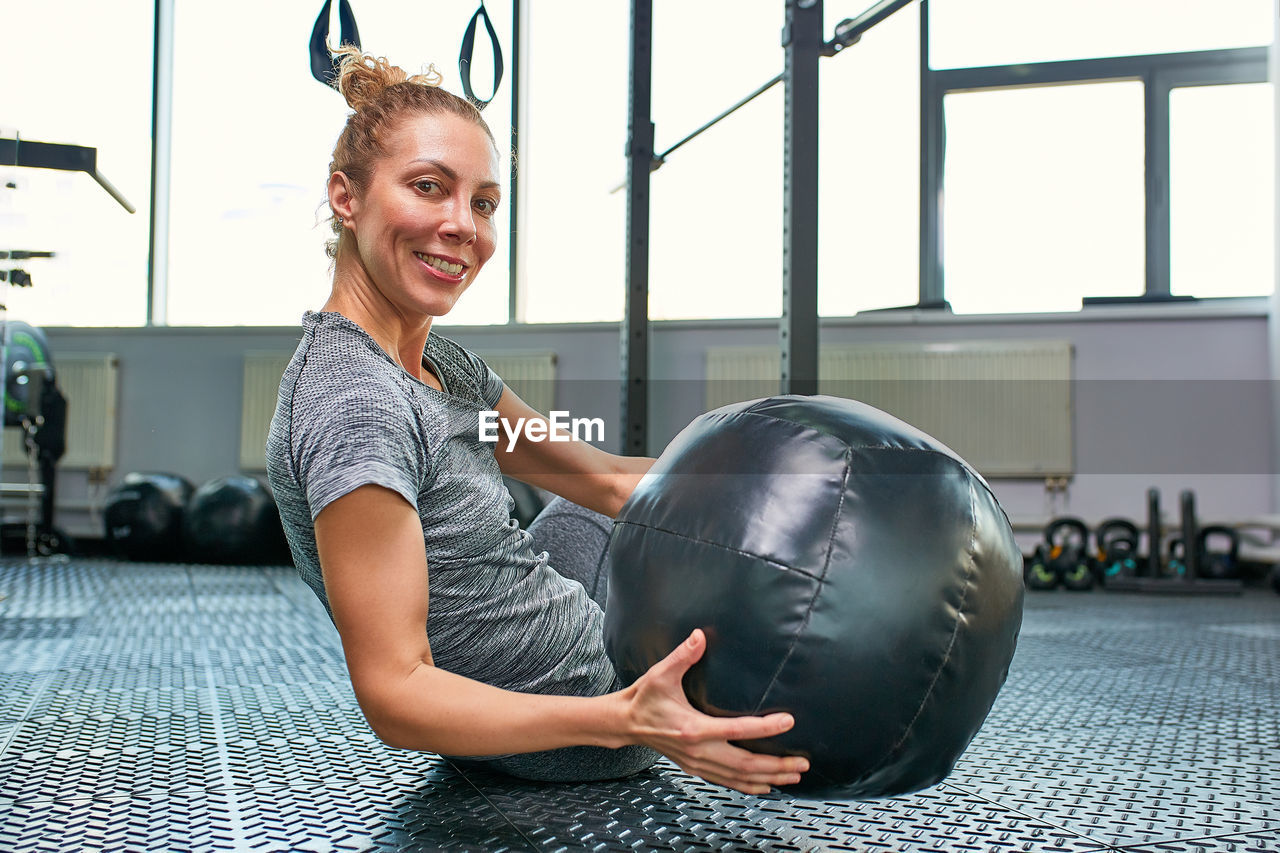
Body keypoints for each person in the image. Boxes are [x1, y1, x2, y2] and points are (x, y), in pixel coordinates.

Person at [265, 47, 809, 795]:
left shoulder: (441, 367)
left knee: (609, 501)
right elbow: (395, 692)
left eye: (483, 203)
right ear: (346, 198)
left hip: (556, 668)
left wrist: (768, 482)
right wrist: (627, 718)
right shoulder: (355, 405)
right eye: (429, 187)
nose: (462, 226)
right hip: (585, 725)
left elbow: (607, 483)